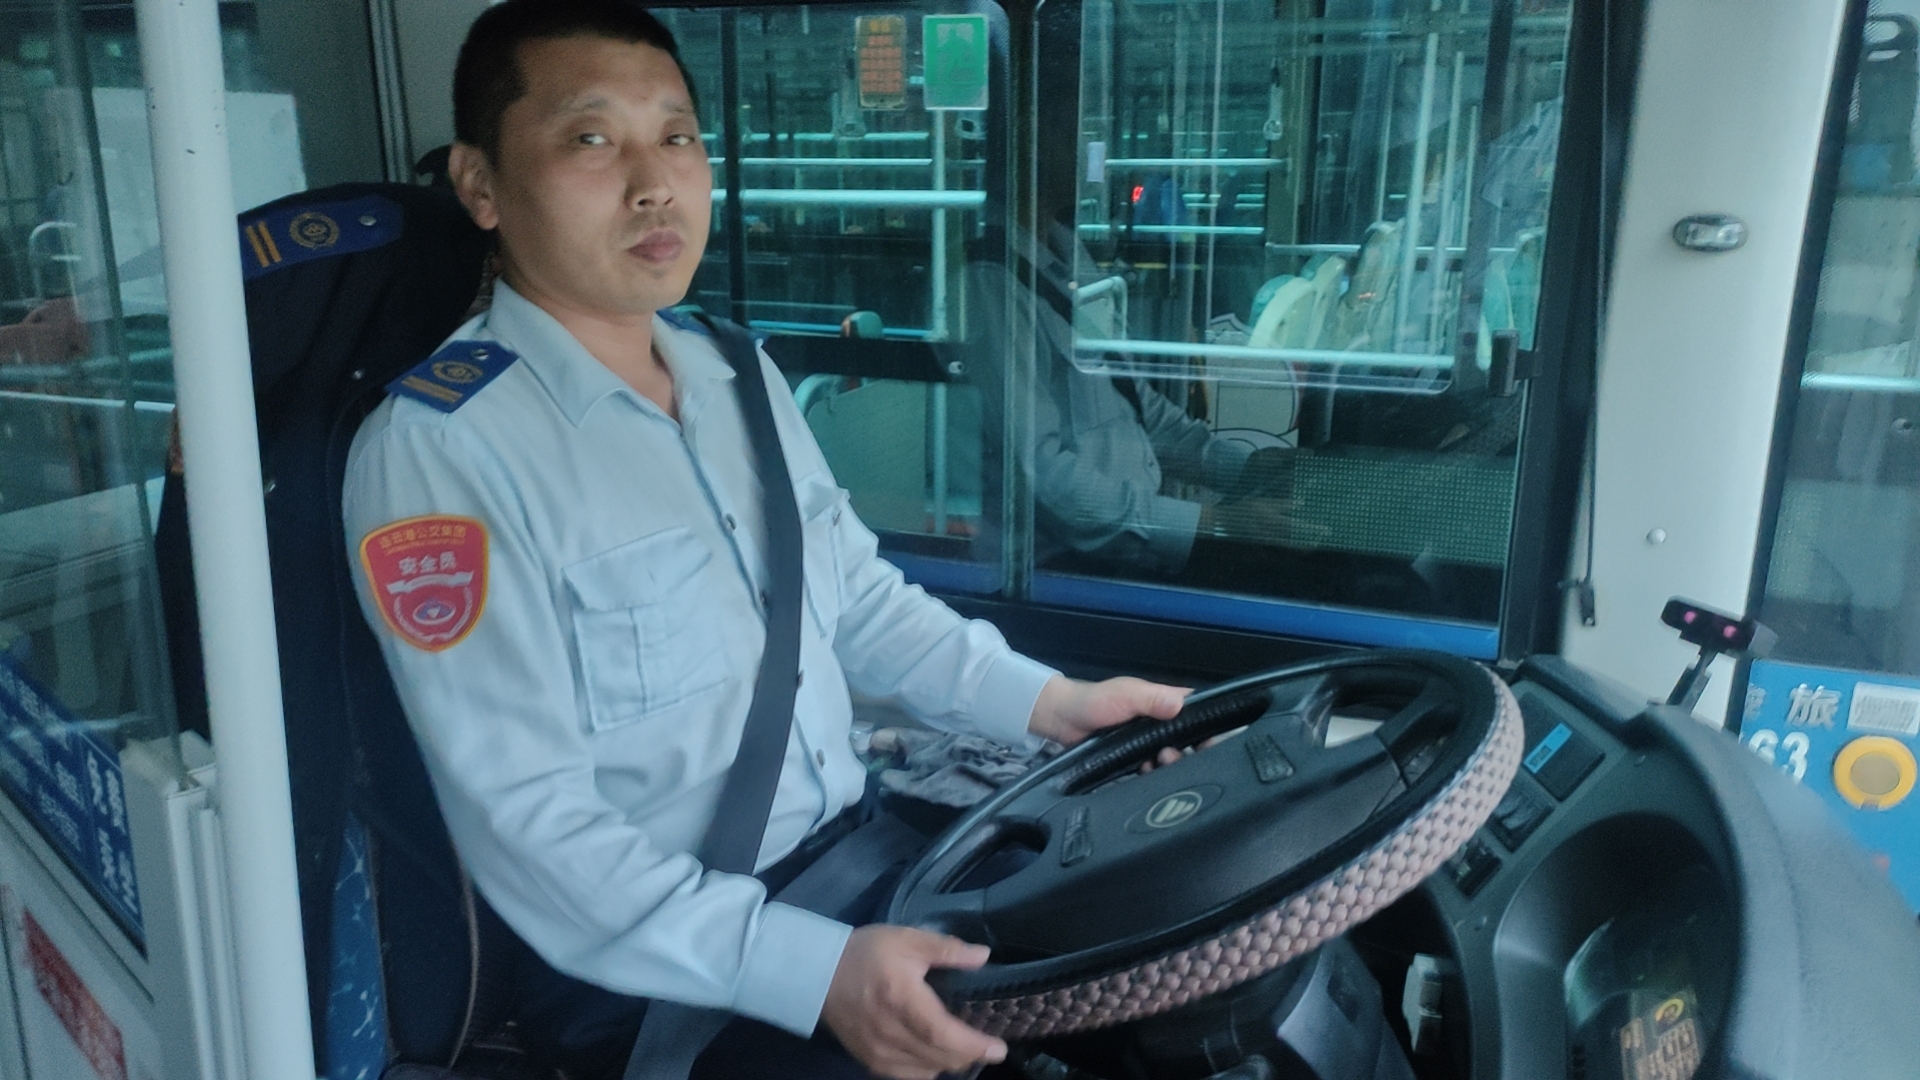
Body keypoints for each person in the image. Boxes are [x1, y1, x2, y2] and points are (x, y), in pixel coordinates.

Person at [340, 4, 1187, 1079]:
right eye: (591, 138)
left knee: (1155, 969)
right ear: (481, 185)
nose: (654, 183)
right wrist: (811, 971)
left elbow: (858, 600)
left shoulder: (736, 374)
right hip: (659, 976)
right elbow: (530, 823)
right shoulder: (441, 452)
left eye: (677, 136)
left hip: (859, 861)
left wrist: (1054, 704)